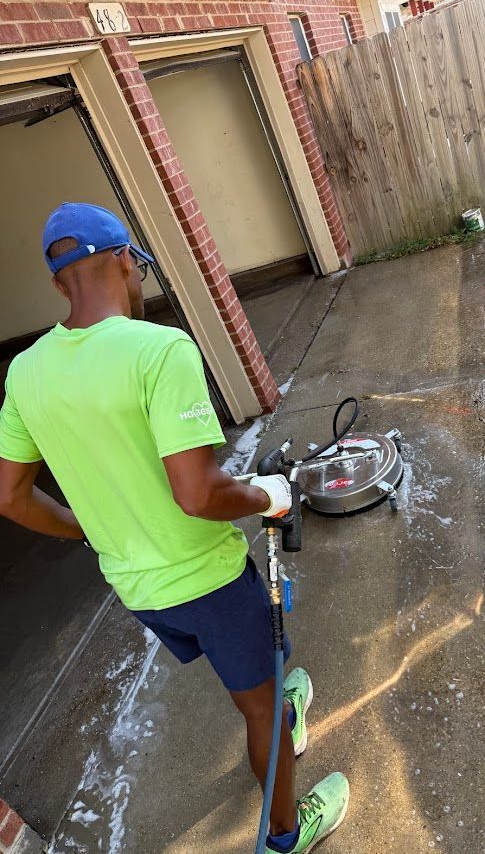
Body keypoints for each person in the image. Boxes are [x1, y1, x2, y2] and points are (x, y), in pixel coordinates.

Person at [0, 202, 349, 853]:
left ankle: (278, 695)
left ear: (58, 283)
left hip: (138, 590)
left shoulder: (26, 373)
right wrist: (266, 493)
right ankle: (285, 831)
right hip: (207, 580)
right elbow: (197, 493)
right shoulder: (157, 348)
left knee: (258, 676)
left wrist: (88, 528)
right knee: (260, 710)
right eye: (139, 270)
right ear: (126, 260)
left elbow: (11, 497)